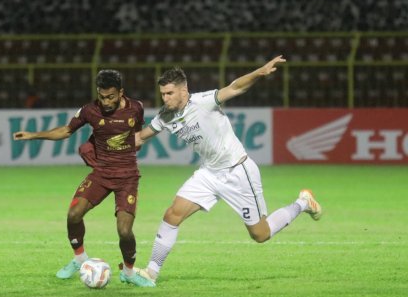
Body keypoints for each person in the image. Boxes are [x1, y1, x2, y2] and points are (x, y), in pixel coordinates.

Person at [136, 56, 323, 284]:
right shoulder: (165, 116)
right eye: (162, 94)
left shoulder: (204, 101)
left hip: (238, 172)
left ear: (184, 90)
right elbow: (140, 138)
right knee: (172, 214)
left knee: (260, 234)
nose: (164, 99)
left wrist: (258, 72)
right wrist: (109, 140)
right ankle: (151, 273)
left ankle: (303, 203)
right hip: (208, 174)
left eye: (169, 93)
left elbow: (235, 87)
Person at [12, 69, 155, 287]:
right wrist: (34, 135)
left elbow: (137, 133)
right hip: (101, 173)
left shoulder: (136, 108)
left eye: (111, 97)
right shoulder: (90, 110)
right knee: (73, 214)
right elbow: (66, 131)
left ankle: (128, 272)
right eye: (102, 96)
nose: (106, 102)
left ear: (121, 93)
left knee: (124, 230)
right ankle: (79, 259)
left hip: (127, 176)